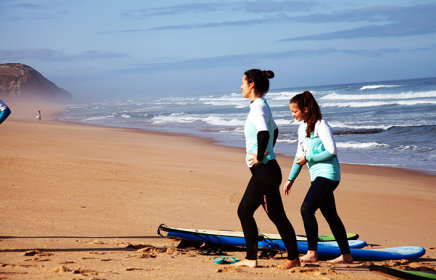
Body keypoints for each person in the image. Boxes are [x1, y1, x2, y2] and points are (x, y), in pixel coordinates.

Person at [233, 69, 300, 269]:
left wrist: (261, 156)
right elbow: (275, 130)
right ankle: (251, 258)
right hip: (264, 172)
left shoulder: (257, 108)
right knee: (244, 211)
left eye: (243, 82)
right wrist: (267, 153)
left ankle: (293, 259)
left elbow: (264, 133)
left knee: (277, 216)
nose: (241, 86)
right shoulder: (261, 106)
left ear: (252, 84)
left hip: (265, 173)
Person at [284, 90, 353, 264]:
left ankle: (312, 253)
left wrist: (309, 158)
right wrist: (291, 179)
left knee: (306, 209)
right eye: (291, 112)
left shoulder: (321, 125)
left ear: (306, 109)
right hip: (317, 176)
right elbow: (299, 156)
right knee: (330, 214)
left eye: (295, 111)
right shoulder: (302, 129)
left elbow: (331, 151)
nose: (293, 115)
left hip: (328, 174)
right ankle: (346, 255)